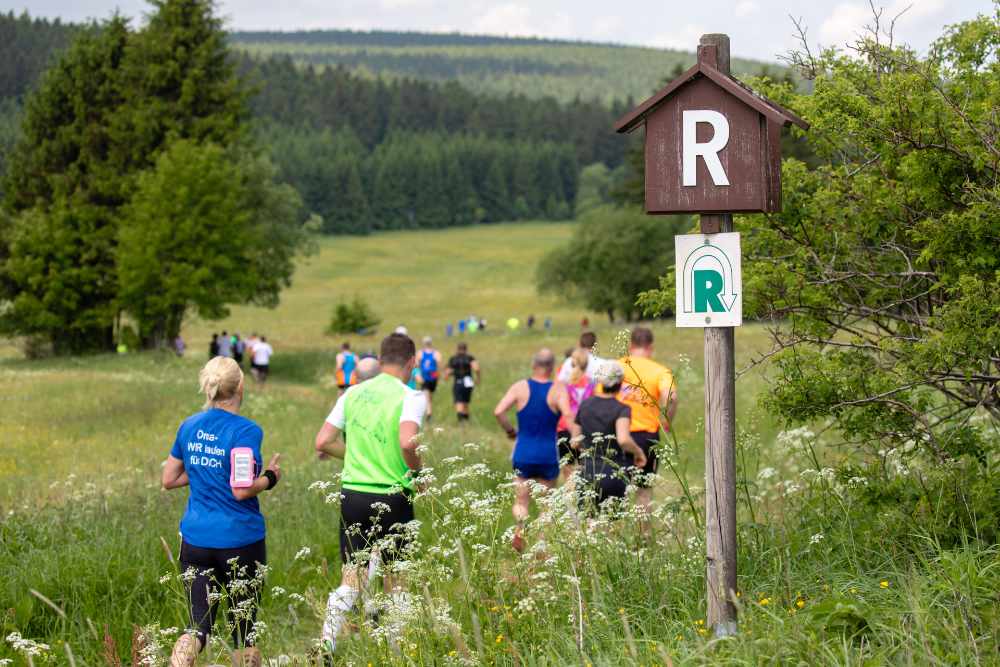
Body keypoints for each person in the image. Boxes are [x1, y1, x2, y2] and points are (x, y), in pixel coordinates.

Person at [161, 356, 282, 667]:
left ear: (209, 388)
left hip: (196, 541)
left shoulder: (189, 425)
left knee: (197, 627)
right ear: (240, 387)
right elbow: (241, 489)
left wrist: (205, 469)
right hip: (239, 541)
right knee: (244, 630)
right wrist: (270, 478)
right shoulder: (246, 431)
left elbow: (169, 479)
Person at [313, 333, 427, 656]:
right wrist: (419, 475)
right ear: (412, 362)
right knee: (396, 579)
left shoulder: (353, 393)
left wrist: (352, 455)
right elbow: (407, 442)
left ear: (380, 359)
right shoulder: (411, 396)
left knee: (352, 577)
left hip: (353, 494)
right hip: (394, 495)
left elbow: (322, 441)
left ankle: (326, 643)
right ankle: (396, 651)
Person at [493, 349, 573, 552]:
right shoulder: (558, 390)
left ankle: (520, 529)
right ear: (552, 367)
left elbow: (499, 411)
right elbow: (568, 415)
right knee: (546, 505)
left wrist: (510, 431)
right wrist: (577, 439)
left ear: (533, 365)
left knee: (521, 500)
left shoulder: (520, 387)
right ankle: (541, 546)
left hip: (523, 452)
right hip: (547, 454)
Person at [617, 327, 678, 516]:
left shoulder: (617, 367)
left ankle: (616, 532)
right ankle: (642, 532)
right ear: (650, 347)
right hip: (647, 436)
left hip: (618, 433)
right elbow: (671, 397)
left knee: (616, 490)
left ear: (630, 346)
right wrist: (666, 421)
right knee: (644, 491)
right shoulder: (660, 371)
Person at [574, 361, 647, 514]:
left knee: (588, 521)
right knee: (613, 523)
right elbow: (623, 439)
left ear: (601, 382)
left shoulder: (585, 404)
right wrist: (639, 453)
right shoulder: (622, 409)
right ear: (620, 383)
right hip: (614, 472)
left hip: (588, 471)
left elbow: (575, 441)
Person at [556, 348, 596, 480]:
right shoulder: (593, 383)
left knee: (568, 471)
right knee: (587, 471)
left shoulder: (564, 383)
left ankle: (570, 492)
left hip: (565, 427)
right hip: (586, 428)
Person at [443, 342, 480, 422]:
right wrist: (478, 378)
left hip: (458, 382)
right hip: (468, 382)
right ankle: (466, 421)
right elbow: (476, 368)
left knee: (459, 401)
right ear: (466, 349)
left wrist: (446, 377)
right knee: (466, 402)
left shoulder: (454, 359)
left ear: (457, 349)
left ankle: (461, 422)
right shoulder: (469, 358)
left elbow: (448, 371)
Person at [418, 337, 442, 420]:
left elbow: (417, 365)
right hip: (433, 376)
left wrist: (418, 375)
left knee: (427, 397)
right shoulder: (436, 353)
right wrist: (438, 376)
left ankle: (428, 413)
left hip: (425, 376)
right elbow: (439, 366)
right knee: (428, 396)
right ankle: (429, 413)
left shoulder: (420, 353)